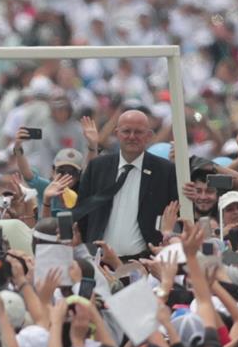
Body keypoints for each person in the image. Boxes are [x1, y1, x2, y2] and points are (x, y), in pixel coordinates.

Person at [75, 110, 178, 260]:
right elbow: (82, 212)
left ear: (149, 136)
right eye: (126, 131)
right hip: (99, 260)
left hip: (145, 262)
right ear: (117, 133)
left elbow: (176, 212)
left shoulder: (165, 171)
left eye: (138, 132)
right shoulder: (97, 167)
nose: (132, 137)